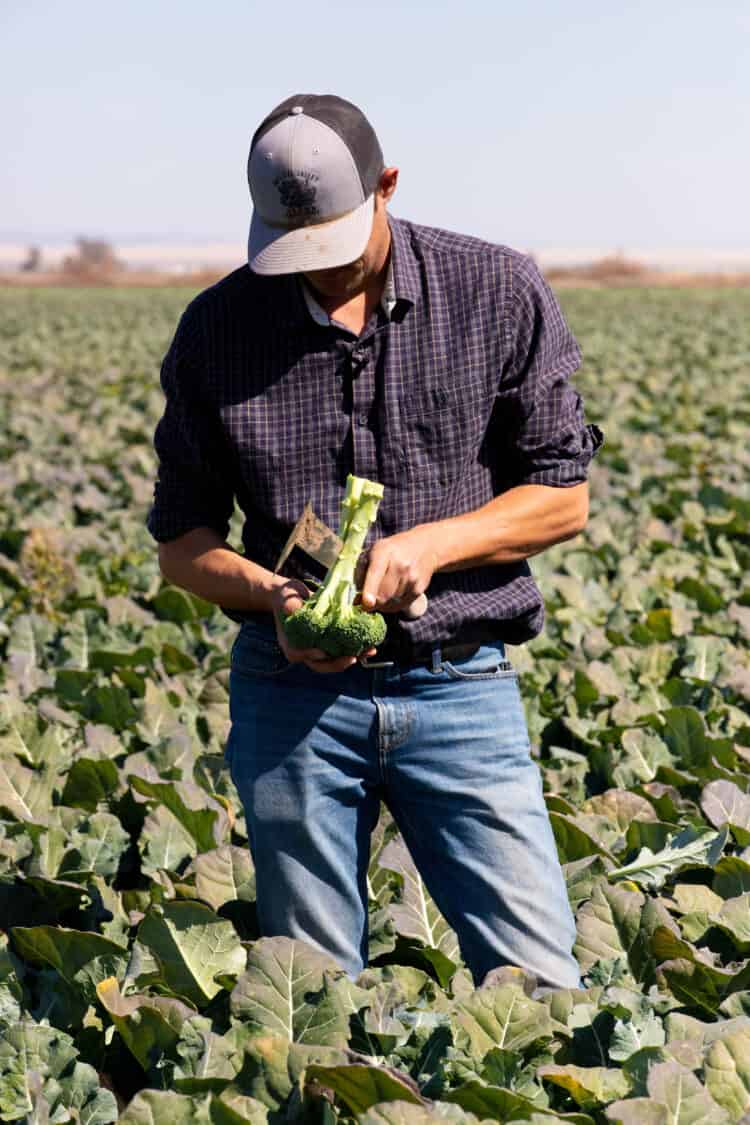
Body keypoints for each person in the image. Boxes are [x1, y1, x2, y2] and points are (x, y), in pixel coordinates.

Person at [147, 93, 603, 991]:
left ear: (387, 185)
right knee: (312, 999)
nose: (315, 272)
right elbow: (181, 541)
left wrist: (432, 546)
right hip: (292, 700)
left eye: (334, 244)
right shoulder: (217, 329)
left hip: (459, 684)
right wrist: (274, 597)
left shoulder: (496, 291)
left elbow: (562, 498)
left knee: (544, 985)